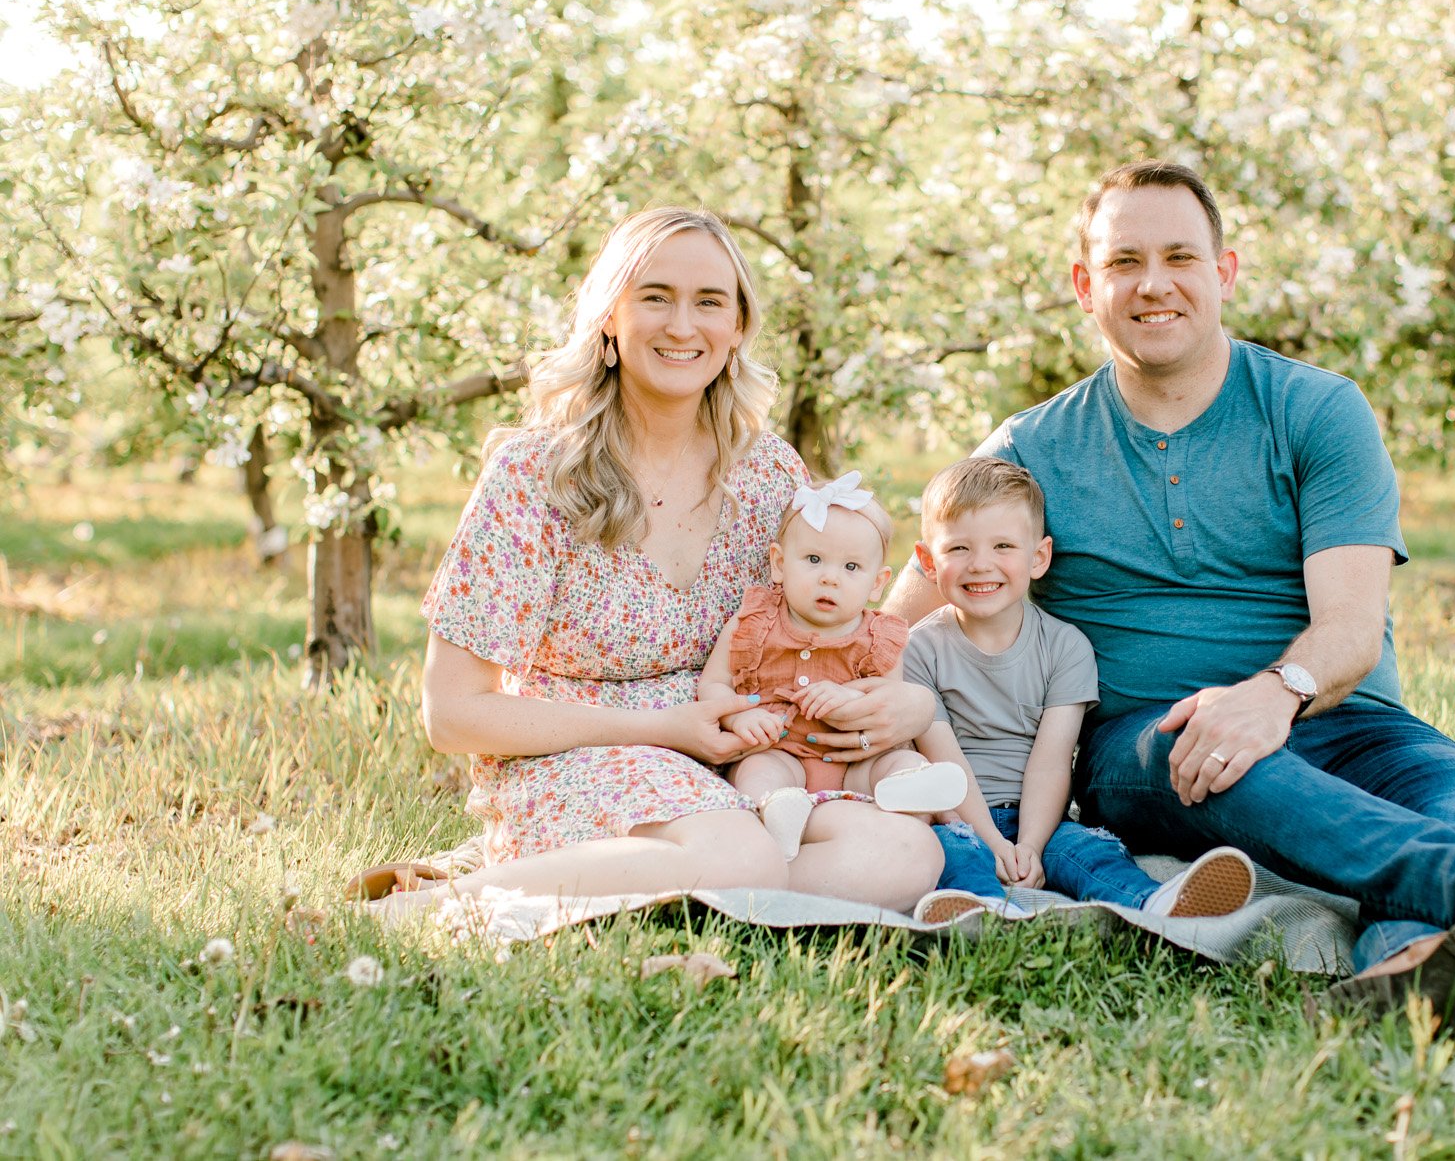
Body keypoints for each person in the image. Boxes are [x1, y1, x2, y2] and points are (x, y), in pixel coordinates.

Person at [884, 162, 1455, 1024]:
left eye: (1181, 256)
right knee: (1223, 751)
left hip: (1344, 717)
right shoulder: (1031, 448)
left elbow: (1349, 630)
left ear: (1223, 273)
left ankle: (1416, 969)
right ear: (1086, 285)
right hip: (1150, 746)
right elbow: (895, 627)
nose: (1154, 284)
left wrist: (1276, 694)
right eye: (1123, 262)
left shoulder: (1317, 411)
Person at [356, 206, 941, 922]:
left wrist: (905, 703)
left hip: (748, 764)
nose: (682, 325)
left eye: (709, 302)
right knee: (744, 856)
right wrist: (664, 726)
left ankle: (650, 885)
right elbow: (452, 714)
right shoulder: (534, 475)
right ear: (609, 316)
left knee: (906, 854)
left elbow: (830, 624)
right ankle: (436, 906)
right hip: (576, 758)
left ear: (736, 329)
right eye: (655, 296)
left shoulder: (770, 475)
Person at [900, 456, 1255, 925]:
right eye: (959, 549)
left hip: (1040, 815)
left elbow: (1052, 757)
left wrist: (1028, 844)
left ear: (1038, 557)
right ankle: (980, 911)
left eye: (1003, 545)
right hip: (955, 815)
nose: (980, 564)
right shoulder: (917, 649)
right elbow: (945, 762)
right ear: (928, 561)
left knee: (1089, 850)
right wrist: (991, 841)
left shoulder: (1065, 647)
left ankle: (1155, 903)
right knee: (946, 852)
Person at [697, 473, 968, 860]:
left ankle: (909, 787)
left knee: (901, 760)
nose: (830, 577)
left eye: (851, 568)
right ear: (778, 563)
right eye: (813, 559)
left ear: (878, 584)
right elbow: (713, 685)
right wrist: (740, 720)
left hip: (853, 763)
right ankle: (779, 811)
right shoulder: (754, 621)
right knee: (758, 772)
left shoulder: (880, 637)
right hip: (779, 751)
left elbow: (887, 703)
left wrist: (849, 699)